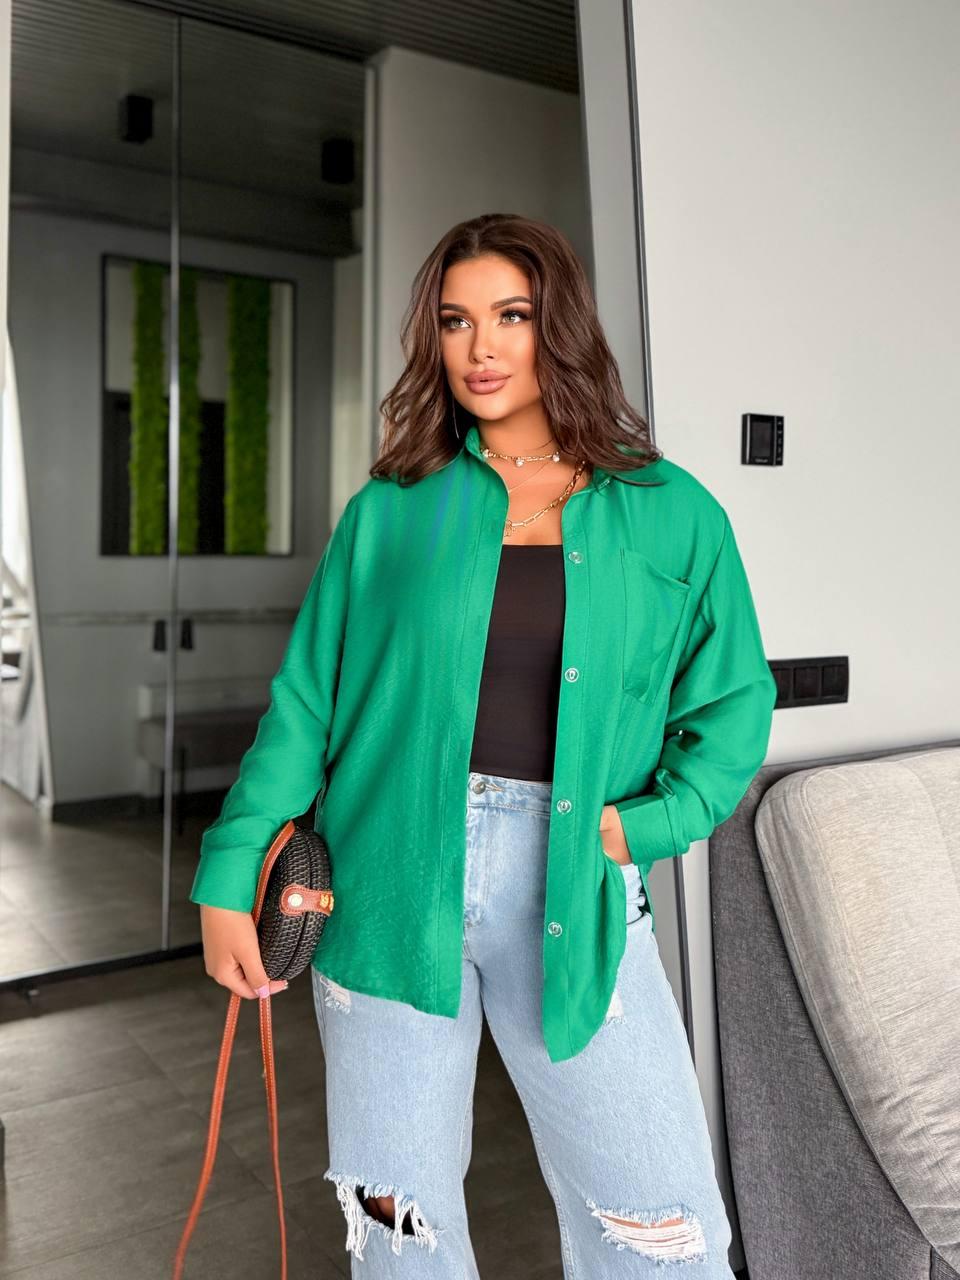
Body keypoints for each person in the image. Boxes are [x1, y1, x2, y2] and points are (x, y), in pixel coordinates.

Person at [192, 213, 778, 1277]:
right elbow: (306, 705)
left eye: (510, 315)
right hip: (385, 883)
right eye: (456, 321)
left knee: (665, 1229)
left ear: (559, 326)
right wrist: (232, 872)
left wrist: (643, 827)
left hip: (576, 883)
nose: (481, 347)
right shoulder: (389, 512)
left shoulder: (672, 512)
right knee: (398, 1228)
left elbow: (734, 707)